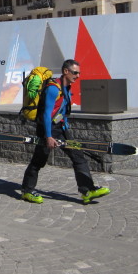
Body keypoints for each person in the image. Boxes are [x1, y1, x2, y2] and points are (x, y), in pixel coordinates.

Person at [20, 59, 111, 205]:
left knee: (78, 156)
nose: (78, 75)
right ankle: (27, 191)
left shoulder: (67, 87)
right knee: (39, 161)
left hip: (61, 128)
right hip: (47, 128)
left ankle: (88, 190)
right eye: (75, 72)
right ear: (65, 71)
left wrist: (65, 127)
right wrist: (48, 136)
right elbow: (46, 115)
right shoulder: (53, 88)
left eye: (79, 73)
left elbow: (62, 111)